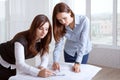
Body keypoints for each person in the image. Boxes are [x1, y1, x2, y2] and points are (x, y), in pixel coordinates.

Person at [0, 14, 54, 80]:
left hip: (12, 64)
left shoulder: (43, 40)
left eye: (46, 29)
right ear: (34, 27)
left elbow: (45, 57)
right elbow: (20, 64)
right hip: (2, 58)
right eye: (40, 28)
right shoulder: (20, 39)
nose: (44, 32)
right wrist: (38, 72)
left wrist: (42, 67)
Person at [52, 2, 92, 73]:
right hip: (69, 52)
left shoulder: (84, 21)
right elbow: (58, 45)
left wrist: (78, 62)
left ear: (70, 12)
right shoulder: (60, 26)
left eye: (64, 18)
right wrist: (55, 61)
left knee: (79, 74)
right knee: (69, 74)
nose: (63, 22)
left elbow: (83, 42)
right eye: (60, 20)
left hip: (83, 52)